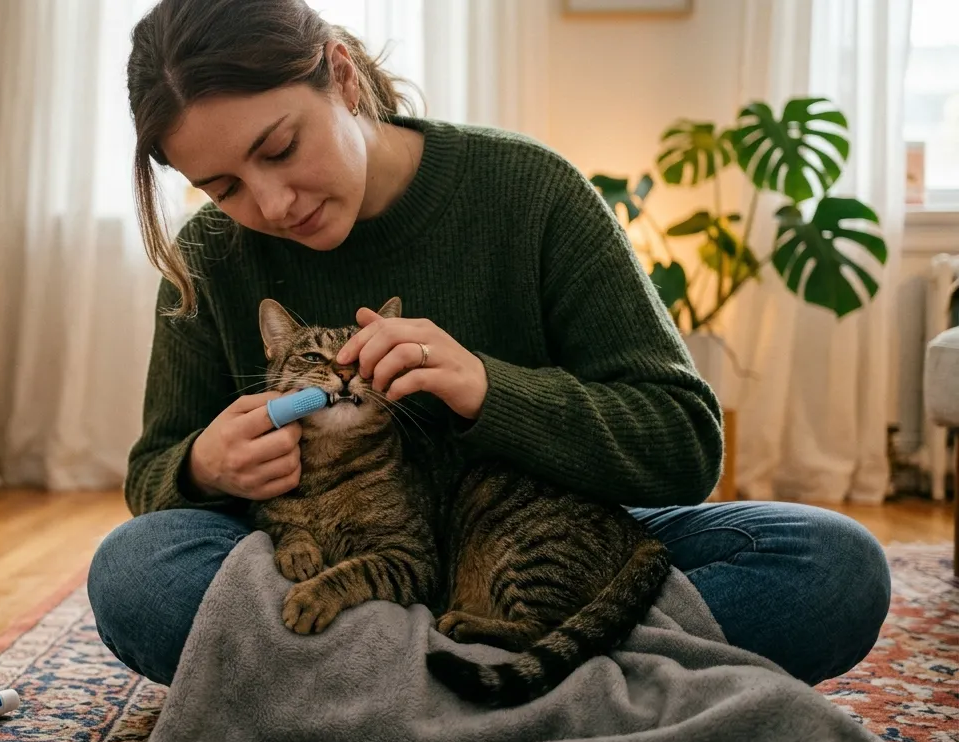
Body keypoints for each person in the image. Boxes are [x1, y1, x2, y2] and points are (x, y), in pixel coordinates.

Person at [88, 0, 891, 691]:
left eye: (279, 148)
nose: (269, 202)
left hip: (531, 558)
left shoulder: (530, 192)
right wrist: (203, 466)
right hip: (337, 564)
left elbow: (683, 443)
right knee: (133, 576)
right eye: (222, 187)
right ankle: (558, 688)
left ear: (340, 75)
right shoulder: (209, 258)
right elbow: (152, 474)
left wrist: (486, 389)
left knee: (832, 568)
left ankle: (365, 694)